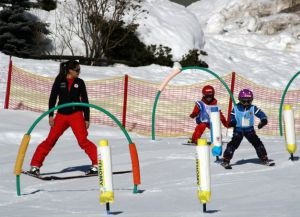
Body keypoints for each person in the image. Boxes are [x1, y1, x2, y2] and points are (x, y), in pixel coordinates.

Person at [28, 60, 98, 176]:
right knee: (50, 140)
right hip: (61, 115)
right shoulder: (59, 80)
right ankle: (35, 166)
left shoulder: (80, 82)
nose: (79, 72)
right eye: (77, 70)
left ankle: (97, 164)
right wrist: (51, 115)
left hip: (76, 114)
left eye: (79, 70)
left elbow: (85, 101)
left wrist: (86, 118)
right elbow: (53, 98)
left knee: (83, 140)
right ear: (70, 70)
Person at [221, 88, 270, 168]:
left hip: (249, 130)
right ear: (240, 100)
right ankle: (226, 160)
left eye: (249, 101)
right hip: (238, 130)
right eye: (244, 101)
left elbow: (261, 114)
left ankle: (264, 158)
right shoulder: (236, 108)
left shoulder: (252, 108)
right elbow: (232, 117)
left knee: (257, 143)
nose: (246, 103)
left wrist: (263, 120)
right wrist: (232, 122)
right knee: (233, 144)